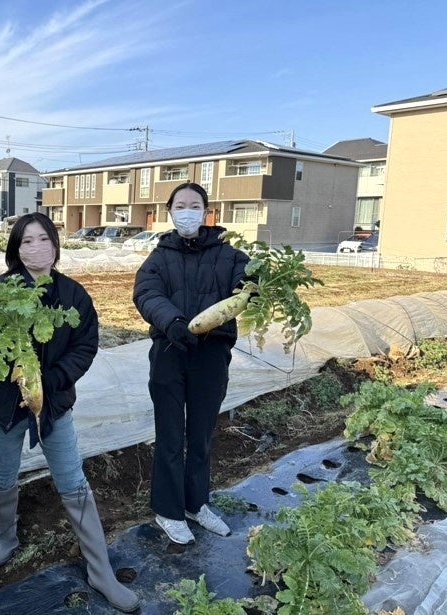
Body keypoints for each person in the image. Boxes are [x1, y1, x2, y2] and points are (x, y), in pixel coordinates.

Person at [0, 212, 140, 613]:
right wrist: (11, 366)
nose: (36, 248)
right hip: (3, 405)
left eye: (44, 239)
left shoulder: (74, 295)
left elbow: (86, 346)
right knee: (2, 475)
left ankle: (100, 572)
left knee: (72, 478)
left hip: (55, 403)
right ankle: (6, 538)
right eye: (26, 241)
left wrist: (49, 379)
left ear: (55, 245)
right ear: (15, 249)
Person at [133, 181, 249, 545]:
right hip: (170, 350)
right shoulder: (159, 256)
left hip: (212, 354)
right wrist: (174, 323)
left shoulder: (230, 255)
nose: (187, 211)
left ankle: (196, 504)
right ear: (170, 212)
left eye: (194, 205)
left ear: (206, 212)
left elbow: (245, 289)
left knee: (200, 434)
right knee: (170, 434)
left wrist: (259, 282)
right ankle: (168, 511)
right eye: (180, 205)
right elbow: (147, 294)